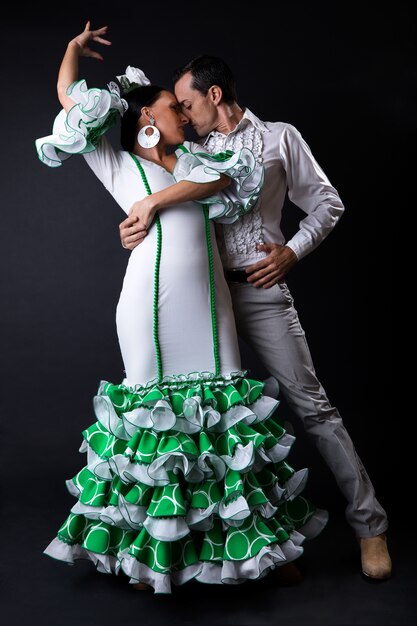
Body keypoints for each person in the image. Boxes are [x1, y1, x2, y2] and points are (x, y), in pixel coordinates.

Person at [35, 23, 328, 594]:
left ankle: (260, 550)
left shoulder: (198, 159)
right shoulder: (115, 161)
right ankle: (156, 559)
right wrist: (71, 52)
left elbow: (227, 177)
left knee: (225, 427)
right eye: (172, 106)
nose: (184, 113)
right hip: (149, 308)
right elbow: (71, 102)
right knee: (159, 429)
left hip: (212, 306)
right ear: (148, 119)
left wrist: (154, 201)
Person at [119, 55, 392, 581]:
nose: (182, 110)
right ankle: (251, 551)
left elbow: (327, 204)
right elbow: (141, 171)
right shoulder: (184, 148)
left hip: (261, 293)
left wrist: (291, 251)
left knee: (314, 409)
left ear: (215, 95)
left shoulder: (279, 139)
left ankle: (370, 525)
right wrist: (134, 224)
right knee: (211, 425)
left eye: (189, 102)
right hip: (199, 299)